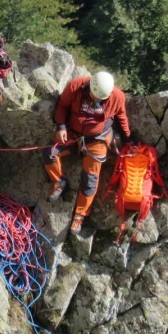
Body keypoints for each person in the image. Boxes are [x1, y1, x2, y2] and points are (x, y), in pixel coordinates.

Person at [43, 71, 130, 233]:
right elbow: (62, 105)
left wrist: (127, 138)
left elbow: (121, 117)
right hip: (73, 132)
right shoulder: (76, 86)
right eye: (94, 96)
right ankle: (60, 182)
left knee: (90, 177)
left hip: (97, 138)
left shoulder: (117, 97)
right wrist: (61, 126)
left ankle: (80, 215)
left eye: (100, 99)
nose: (96, 100)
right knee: (49, 152)